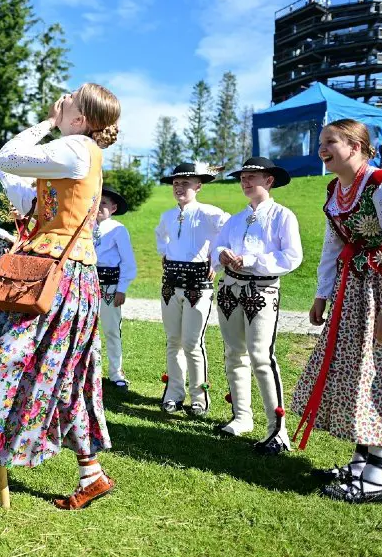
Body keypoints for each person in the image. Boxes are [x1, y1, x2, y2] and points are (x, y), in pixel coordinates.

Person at [0, 83, 121, 510]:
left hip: (59, 277)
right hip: (58, 273)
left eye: (70, 98)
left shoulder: (75, 145)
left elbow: (11, 153)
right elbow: (27, 194)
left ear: (81, 118)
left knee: (5, 353)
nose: (63, 98)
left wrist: (46, 124)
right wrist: (2, 167)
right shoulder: (74, 152)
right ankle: (90, 472)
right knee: (64, 375)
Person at [292, 119, 382, 504]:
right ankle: (360, 464)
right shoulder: (337, 189)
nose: (322, 149)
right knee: (361, 370)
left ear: (355, 146)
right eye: (321, 142)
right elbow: (331, 245)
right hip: (357, 286)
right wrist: (321, 293)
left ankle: (375, 480)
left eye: (330, 142)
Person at [213, 156, 302, 455]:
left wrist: (252, 261)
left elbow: (292, 257)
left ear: (269, 180)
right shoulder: (235, 219)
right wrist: (223, 253)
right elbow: (218, 245)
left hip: (261, 290)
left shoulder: (282, 216)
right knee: (234, 353)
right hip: (229, 288)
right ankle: (241, 417)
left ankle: (278, 431)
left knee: (262, 357)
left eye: (253, 176)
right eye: (243, 177)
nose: (246, 181)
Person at [155, 163, 229, 413]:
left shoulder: (211, 213)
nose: (179, 187)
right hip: (170, 285)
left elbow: (228, 232)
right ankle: (174, 394)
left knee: (193, 342)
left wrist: (216, 260)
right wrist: (165, 252)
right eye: (176, 183)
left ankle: (199, 398)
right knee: (173, 341)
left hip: (199, 285)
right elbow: (160, 236)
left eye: (186, 183)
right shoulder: (166, 215)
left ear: (198, 186)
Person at [93, 184, 137, 390]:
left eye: (104, 203)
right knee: (88, 330)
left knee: (111, 330)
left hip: (110, 285)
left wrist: (122, 288)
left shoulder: (118, 229)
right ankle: (90, 370)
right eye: (96, 201)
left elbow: (128, 261)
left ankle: (115, 372)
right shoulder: (85, 227)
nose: (98, 206)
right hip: (88, 283)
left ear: (113, 208)